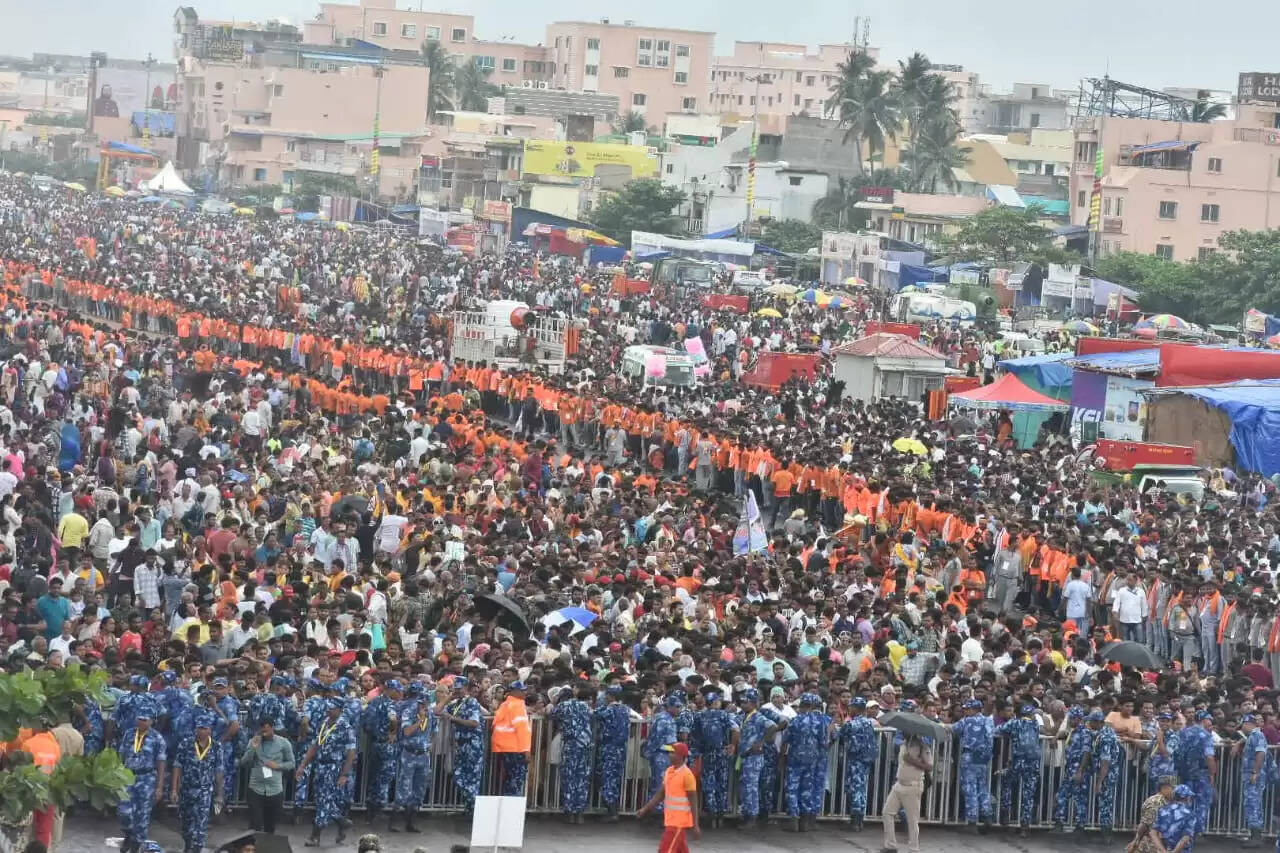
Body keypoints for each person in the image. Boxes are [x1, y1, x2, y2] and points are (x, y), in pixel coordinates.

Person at [294, 697, 356, 847]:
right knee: (321, 799)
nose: (328, 710)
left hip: (334, 768)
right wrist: (303, 765)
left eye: (332, 708)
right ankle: (342, 821)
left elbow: (351, 753)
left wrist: (344, 774)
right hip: (320, 767)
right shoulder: (324, 724)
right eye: (328, 707)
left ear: (340, 710)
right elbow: (315, 746)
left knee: (324, 801)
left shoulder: (345, 727)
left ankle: (315, 836)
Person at [117, 698, 166, 853]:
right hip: (128, 776)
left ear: (152, 721)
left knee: (142, 815)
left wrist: (159, 787)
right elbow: (121, 756)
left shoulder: (157, 738)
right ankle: (128, 834)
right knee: (124, 812)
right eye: (139, 718)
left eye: (145, 719)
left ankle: (136, 845)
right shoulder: (129, 734)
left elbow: (161, 763)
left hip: (146, 779)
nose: (141, 721)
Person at [170, 711, 221, 853]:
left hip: (204, 791)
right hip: (187, 789)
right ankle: (187, 845)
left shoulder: (216, 747)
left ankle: (197, 848)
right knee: (186, 824)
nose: (202, 731)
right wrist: (174, 789)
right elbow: (177, 765)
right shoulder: (186, 744)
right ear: (196, 728)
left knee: (200, 826)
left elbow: (219, 770)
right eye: (200, 728)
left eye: (205, 728)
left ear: (210, 729)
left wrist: (220, 794)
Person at [637, 742, 700, 853]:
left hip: (678, 823)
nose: (669, 755)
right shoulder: (669, 771)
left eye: (672, 752)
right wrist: (645, 809)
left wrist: (695, 825)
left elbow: (693, 801)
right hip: (671, 820)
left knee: (665, 850)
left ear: (680, 756)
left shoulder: (687, 775)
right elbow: (660, 794)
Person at [239, 717, 296, 835]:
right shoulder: (253, 741)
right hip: (256, 788)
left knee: (270, 825)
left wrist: (278, 766)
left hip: (274, 790)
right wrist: (253, 749)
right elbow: (244, 762)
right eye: (262, 729)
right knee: (255, 824)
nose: (265, 732)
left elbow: (291, 763)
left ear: (272, 728)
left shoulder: (284, 743)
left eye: (267, 729)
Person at [781, 693, 829, 832]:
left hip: (795, 759)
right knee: (807, 789)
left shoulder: (795, 721)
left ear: (802, 705)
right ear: (813, 706)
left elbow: (785, 741)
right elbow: (824, 743)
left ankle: (794, 821)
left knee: (792, 789)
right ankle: (804, 823)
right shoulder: (819, 722)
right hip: (811, 760)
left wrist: (781, 757)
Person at [881, 731, 934, 853]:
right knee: (887, 812)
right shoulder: (904, 744)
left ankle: (914, 849)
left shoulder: (923, 747)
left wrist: (912, 761)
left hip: (913, 786)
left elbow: (930, 767)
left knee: (912, 820)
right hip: (899, 784)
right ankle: (890, 846)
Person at [438, 677, 484, 815]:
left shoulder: (472, 702)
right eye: (456, 688)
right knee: (459, 776)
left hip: (472, 745)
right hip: (461, 745)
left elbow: (474, 723)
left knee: (471, 779)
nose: (458, 690)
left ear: (467, 689)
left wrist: (453, 719)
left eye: (460, 688)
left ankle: (474, 811)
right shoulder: (456, 703)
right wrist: (449, 697)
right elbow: (437, 711)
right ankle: (471, 807)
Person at [691, 691, 736, 828]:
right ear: (716, 702)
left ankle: (712, 814)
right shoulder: (724, 715)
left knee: (709, 784)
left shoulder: (699, 716)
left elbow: (696, 737)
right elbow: (736, 729)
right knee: (722, 784)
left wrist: (697, 753)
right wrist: (732, 745)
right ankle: (720, 816)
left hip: (707, 754)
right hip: (722, 753)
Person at [995, 703, 1041, 835]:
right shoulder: (1035, 725)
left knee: (1007, 783)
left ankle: (1005, 812)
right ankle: (1025, 826)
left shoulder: (1015, 723)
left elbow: (998, 730)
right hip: (1033, 763)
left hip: (1018, 761)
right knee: (1028, 794)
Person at [550, 684, 594, 824]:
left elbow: (552, 715)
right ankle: (579, 812)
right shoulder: (586, 707)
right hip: (585, 745)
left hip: (570, 745)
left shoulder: (564, 705)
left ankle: (569, 811)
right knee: (582, 778)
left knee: (569, 777)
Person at [392, 685, 433, 833]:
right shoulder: (409, 712)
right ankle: (395, 820)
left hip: (423, 755)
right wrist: (419, 720)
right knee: (404, 788)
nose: (423, 706)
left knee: (419, 790)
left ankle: (410, 821)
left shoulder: (430, 714)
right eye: (421, 703)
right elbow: (407, 731)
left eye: (426, 703)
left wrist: (429, 744)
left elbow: (433, 731)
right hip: (409, 754)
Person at [951, 698, 994, 831]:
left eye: (967, 709)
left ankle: (972, 821)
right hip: (983, 758)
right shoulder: (988, 720)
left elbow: (953, 729)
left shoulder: (967, 721)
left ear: (974, 709)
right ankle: (987, 815)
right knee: (982, 787)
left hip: (969, 756)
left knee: (970, 788)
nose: (965, 711)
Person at [838, 695, 879, 830]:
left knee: (854, 789)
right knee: (862, 788)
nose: (849, 709)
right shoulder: (869, 723)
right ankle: (859, 819)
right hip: (866, 760)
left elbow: (840, 734)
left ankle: (855, 821)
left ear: (856, 708)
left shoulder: (852, 724)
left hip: (855, 760)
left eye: (851, 707)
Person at [595, 684, 632, 823]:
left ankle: (612, 812)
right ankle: (613, 810)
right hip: (621, 749)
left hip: (608, 748)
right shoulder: (626, 710)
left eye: (607, 695)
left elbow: (594, 714)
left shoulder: (608, 709)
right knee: (615, 779)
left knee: (607, 779)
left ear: (611, 696)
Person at [1053, 707, 1094, 835]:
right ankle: (1060, 823)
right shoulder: (1073, 732)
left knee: (1079, 798)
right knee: (1062, 796)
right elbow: (1063, 734)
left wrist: (1080, 771)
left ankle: (1080, 827)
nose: (1071, 720)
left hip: (1079, 769)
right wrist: (1055, 737)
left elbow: (1086, 752)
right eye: (1070, 718)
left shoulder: (1085, 733)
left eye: (1073, 718)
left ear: (1080, 719)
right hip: (1070, 768)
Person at [492, 680, 532, 795]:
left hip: (504, 748)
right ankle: (512, 809)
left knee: (509, 780)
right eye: (523, 690)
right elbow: (522, 730)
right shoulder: (518, 705)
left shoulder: (505, 704)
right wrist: (526, 750)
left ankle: (507, 808)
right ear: (515, 692)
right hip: (516, 748)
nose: (525, 693)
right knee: (516, 781)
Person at [1089, 709, 1123, 842]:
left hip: (1107, 774)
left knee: (1105, 805)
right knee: (1105, 804)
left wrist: (1099, 781)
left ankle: (1106, 836)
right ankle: (1105, 833)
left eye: (1091, 721)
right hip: (1108, 772)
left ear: (1097, 722)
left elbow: (1105, 760)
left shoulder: (1105, 736)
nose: (1089, 723)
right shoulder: (1105, 733)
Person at [1240, 713, 1269, 847]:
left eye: (1243, 725)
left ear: (1248, 724)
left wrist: (1255, 772)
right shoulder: (1252, 736)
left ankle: (1256, 837)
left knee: (1252, 804)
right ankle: (1254, 836)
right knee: (1252, 803)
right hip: (1251, 775)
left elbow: (1261, 753)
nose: (1242, 728)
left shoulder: (1257, 735)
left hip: (1254, 776)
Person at [1130, 777, 1176, 853]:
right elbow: (1144, 825)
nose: (1174, 791)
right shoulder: (1155, 803)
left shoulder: (1167, 801)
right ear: (1165, 788)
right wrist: (1135, 841)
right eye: (1173, 788)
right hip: (1152, 844)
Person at [1152, 785, 1197, 853]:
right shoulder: (1190, 814)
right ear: (1187, 798)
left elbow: (1153, 833)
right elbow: (1185, 838)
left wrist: (1163, 851)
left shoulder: (1162, 810)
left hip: (1163, 849)